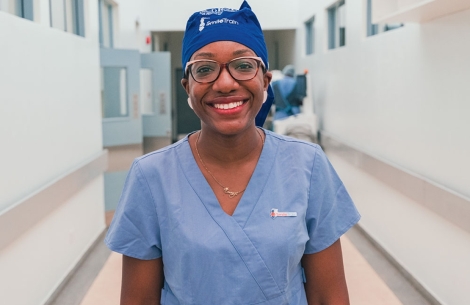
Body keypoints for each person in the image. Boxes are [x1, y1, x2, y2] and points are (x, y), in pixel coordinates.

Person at [105, 1, 360, 304]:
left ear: (265, 80)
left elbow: (327, 296)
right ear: (187, 87)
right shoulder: (151, 177)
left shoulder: (307, 166)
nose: (225, 83)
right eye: (204, 69)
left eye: (243, 65)